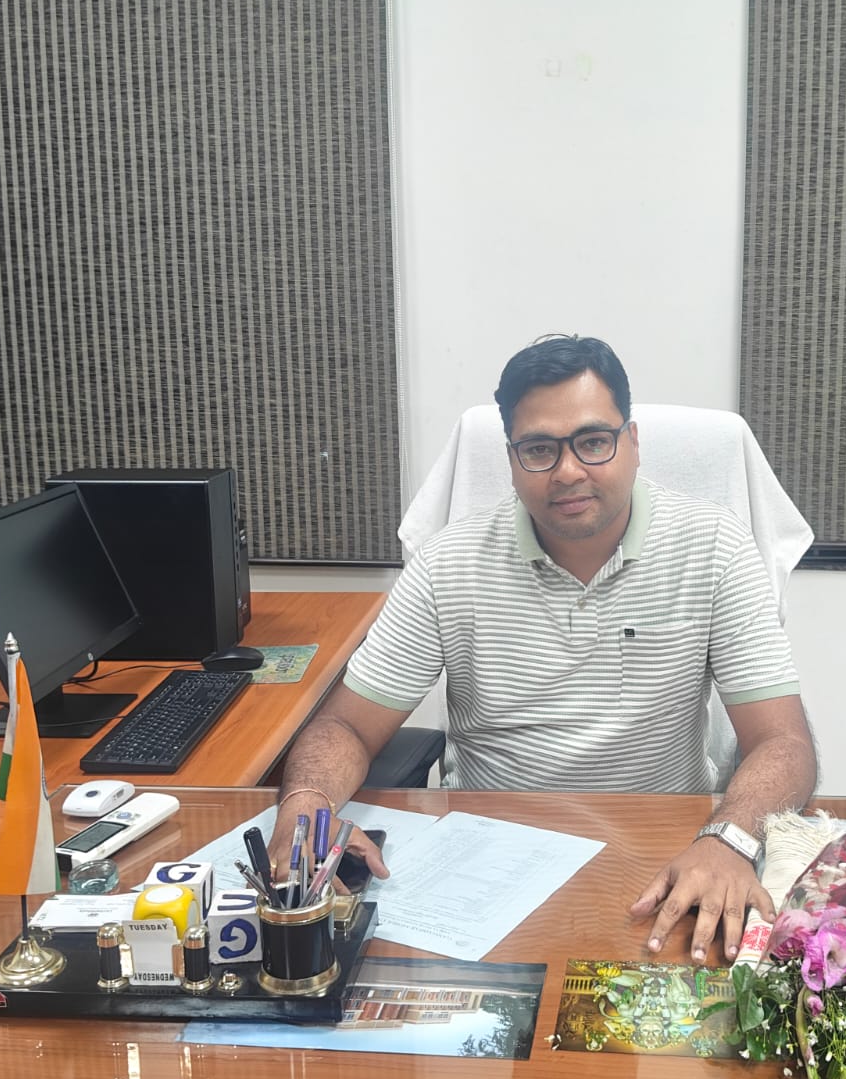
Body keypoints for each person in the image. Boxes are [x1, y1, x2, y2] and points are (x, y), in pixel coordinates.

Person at [271, 335, 817, 962]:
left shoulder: (715, 548)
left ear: (633, 442)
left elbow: (784, 743)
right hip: (481, 864)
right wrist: (305, 812)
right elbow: (344, 726)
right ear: (511, 459)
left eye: (593, 441)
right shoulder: (449, 564)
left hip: (667, 854)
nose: (568, 471)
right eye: (539, 449)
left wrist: (729, 840)